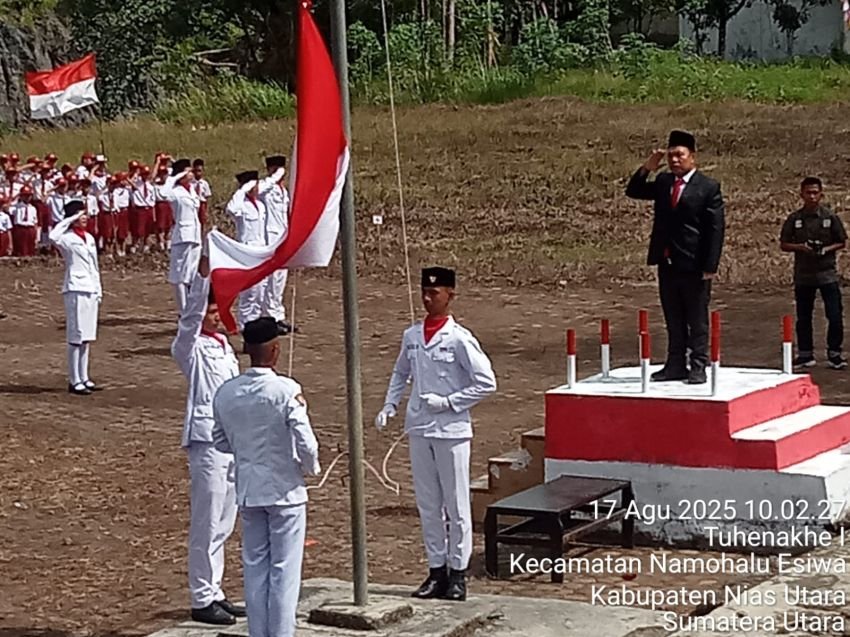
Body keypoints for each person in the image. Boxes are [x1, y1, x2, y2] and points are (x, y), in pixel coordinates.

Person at [375, 267, 497, 601]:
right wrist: (390, 404)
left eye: (435, 293)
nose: (429, 299)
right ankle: (436, 569)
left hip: (451, 429)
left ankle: (458, 572)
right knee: (428, 505)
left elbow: (486, 382)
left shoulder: (459, 338)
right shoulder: (412, 336)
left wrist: (449, 402)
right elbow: (400, 372)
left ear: (450, 295)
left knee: (457, 505)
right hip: (419, 426)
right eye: (425, 294)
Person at [212, 317, 320, 637]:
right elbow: (306, 441)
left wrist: (246, 450)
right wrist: (309, 467)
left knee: (255, 567)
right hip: (285, 489)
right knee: (285, 571)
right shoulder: (285, 389)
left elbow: (219, 440)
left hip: (249, 487)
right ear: (274, 351)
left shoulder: (227, 392)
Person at [171, 255, 244, 625]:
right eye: (211, 311)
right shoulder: (191, 347)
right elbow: (188, 321)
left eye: (218, 310)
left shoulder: (224, 347)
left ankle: (215, 590)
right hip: (206, 440)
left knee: (225, 521)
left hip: (231, 439)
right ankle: (201, 596)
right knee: (207, 519)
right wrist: (202, 282)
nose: (215, 316)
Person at [625, 130, 725, 385]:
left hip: (694, 263)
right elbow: (634, 190)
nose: (674, 160)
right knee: (673, 316)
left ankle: (698, 365)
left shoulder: (708, 187)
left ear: (692, 157)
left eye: (679, 155)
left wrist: (710, 265)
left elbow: (715, 228)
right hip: (667, 260)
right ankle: (675, 363)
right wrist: (649, 166)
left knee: (696, 318)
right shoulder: (663, 182)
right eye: (670, 156)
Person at [780, 177, 848, 369]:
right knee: (804, 316)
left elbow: (842, 240)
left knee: (834, 315)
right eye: (808, 192)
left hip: (827, 274)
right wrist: (801, 247)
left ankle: (835, 353)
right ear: (801, 194)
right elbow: (784, 244)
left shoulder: (829, 217)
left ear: (821, 194)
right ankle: (805, 354)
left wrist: (826, 249)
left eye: (815, 192)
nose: (812, 196)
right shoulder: (795, 219)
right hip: (804, 275)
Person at [48, 200, 102, 395]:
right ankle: (74, 379)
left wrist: (98, 290)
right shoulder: (67, 238)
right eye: (81, 215)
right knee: (76, 336)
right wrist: (70, 218)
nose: (85, 218)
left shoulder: (89, 238)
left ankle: (84, 376)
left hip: (90, 288)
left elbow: (94, 266)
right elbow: (53, 236)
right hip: (75, 287)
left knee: (87, 336)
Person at [226, 171, 273, 333]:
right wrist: (242, 190)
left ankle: (256, 326)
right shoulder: (241, 205)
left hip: (261, 250)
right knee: (249, 293)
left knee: (261, 292)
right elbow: (231, 209)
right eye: (253, 186)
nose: (256, 188)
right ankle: (246, 328)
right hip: (247, 252)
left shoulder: (260, 205)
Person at [258, 155, 292, 334]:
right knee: (271, 279)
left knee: (280, 279)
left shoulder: (282, 191)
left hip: (282, 234)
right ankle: (270, 317)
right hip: (270, 236)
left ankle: (278, 315)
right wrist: (273, 178)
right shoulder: (266, 187)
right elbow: (259, 189)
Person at [163, 158, 201, 315]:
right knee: (179, 275)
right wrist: (174, 176)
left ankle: (191, 308)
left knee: (192, 274)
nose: (191, 174)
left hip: (195, 235)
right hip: (182, 235)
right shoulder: (175, 191)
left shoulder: (191, 190)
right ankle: (183, 310)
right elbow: (162, 193)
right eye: (188, 171)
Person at [11, 185, 39, 257]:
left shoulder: (33, 208)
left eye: (29, 196)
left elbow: (35, 222)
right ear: (21, 196)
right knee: (21, 249)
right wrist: (15, 197)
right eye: (25, 195)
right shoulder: (16, 207)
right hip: (20, 228)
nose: (27, 198)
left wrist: (35, 235)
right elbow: (6, 208)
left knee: (30, 248)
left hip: (30, 228)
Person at [193, 159, 212, 229]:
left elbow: (207, 197)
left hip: (202, 204)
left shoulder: (204, 183)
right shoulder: (191, 183)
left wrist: (206, 210)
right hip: (193, 204)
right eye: (196, 171)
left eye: (200, 171)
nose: (198, 173)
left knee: (201, 221)